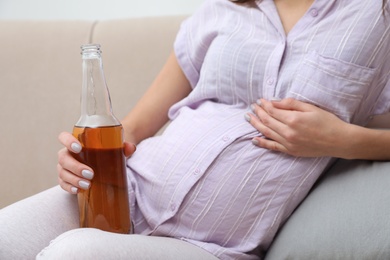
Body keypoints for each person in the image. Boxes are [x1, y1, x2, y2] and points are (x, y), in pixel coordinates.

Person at [1, 0, 389, 259]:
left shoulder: (376, 16)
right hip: (127, 191)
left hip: (210, 246)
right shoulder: (221, 9)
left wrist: (343, 140)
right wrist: (80, 156)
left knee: (75, 254)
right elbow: (134, 128)